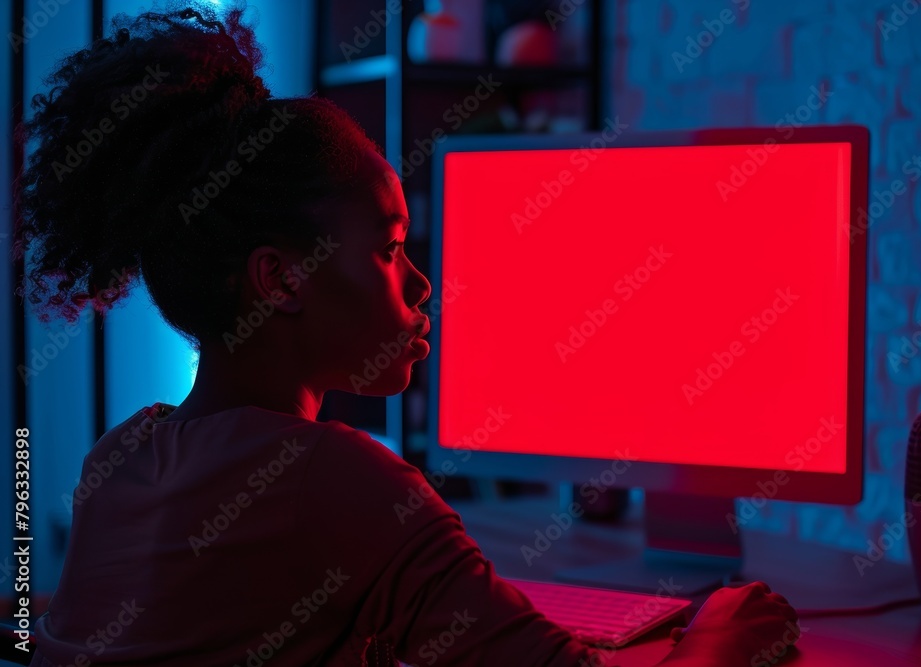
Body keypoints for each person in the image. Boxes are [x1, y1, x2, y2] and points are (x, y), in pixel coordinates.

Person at [12, 3, 799, 665]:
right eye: (389, 249)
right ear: (280, 279)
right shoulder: (341, 480)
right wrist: (718, 634)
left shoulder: (114, 460)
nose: (422, 284)